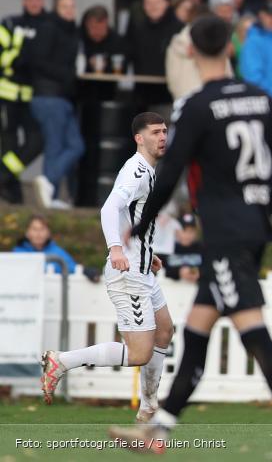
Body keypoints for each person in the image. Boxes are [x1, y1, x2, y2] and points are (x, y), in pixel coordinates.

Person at [108, 17, 272, 457]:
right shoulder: (261, 98)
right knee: (197, 330)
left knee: (252, 329)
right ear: (231, 47)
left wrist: (141, 224)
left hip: (225, 232)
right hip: (256, 226)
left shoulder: (195, 105)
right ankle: (158, 431)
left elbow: (170, 174)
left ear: (187, 51)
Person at [41, 113, 174, 425]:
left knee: (165, 331)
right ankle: (60, 362)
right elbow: (109, 208)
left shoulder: (148, 170)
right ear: (139, 138)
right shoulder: (138, 170)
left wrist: (145, 251)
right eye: (155, 132)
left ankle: (149, 407)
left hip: (141, 268)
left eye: (165, 131)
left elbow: (131, 214)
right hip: (128, 275)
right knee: (139, 353)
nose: (163, 137)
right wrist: (116, 248)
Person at [31, 0, 85, 209]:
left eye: (72, 6)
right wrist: (67, 74)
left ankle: (48, 186)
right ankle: (48, 191)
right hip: (48, 96)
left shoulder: (72, 32)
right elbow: (38, 61)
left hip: (62, 97)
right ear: (56, 8)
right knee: (55, 146)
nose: (70, 10)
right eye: (64, 6)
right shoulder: (49, 28)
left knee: (76, 146)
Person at [0, 0, 50, 204]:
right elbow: (3, 57)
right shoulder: (10, 23)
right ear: (24, 0)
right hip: (7, 95)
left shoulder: (49, 26)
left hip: (33, 97)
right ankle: (13, 195)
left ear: (43, 1)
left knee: (36, 141)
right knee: (8, 144)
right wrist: (17, 57)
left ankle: (2, 175)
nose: (34, 3)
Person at [125, 0, 184, 110]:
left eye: (157, 2)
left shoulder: (179, 29)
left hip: (170, 96)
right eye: (148, 3)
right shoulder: (137, 29)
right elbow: (128, 55)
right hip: (142, 96)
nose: (153, 6)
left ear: (166, 3)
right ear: (143, 6)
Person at [13, 214, 78, 276]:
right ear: (27, 232)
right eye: (34, 229)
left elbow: (73, 269)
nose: (38, 233)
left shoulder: (58, 252)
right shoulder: (18, 253)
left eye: (42, 229)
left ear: (48, 233)